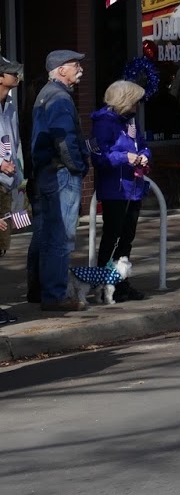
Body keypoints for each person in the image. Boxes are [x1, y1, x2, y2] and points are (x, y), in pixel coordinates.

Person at [29, 49, 90, 312]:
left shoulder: (46, 94)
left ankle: (41, 290)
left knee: (46, 234)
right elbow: (64, 140)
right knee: (60, 236)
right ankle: (54, 294)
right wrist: (78, 166)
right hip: (60, 173)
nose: (81, 70)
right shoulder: (59, 98)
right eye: (76, 65)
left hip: (47, 172)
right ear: (61, 69)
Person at [90, 80, 152, 301]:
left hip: (133, 187)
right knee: (112, 237)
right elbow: (98, 156)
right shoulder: (103, 124)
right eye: (135, 101)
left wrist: (144, 155)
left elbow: (142, 144)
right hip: (115, 189)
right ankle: (102, 283)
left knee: (127, 238)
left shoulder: (131, 121)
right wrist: (125, 157)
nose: (138, 105)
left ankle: (121, 282)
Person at [0, 57, 21, 323]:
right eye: (12, 72)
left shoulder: (10, 107)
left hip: (6, 183)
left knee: (2, 245)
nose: (17, 76)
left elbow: (14, 144)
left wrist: (18, 176)